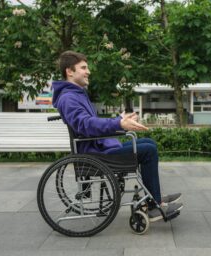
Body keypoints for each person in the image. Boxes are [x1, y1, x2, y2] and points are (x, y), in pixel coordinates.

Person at [52, 51, 182, 222]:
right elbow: (85, 125)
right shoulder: (69, 98)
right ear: (69, 71)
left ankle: (153, 197)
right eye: (83, 68)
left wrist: (118, 120)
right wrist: (118, 124)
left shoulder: (75, 94)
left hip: (98, 148)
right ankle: (153, 205)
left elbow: (90, 122)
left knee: (148, 143)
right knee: (148, 150)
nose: (88, 71)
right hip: (95, 153)